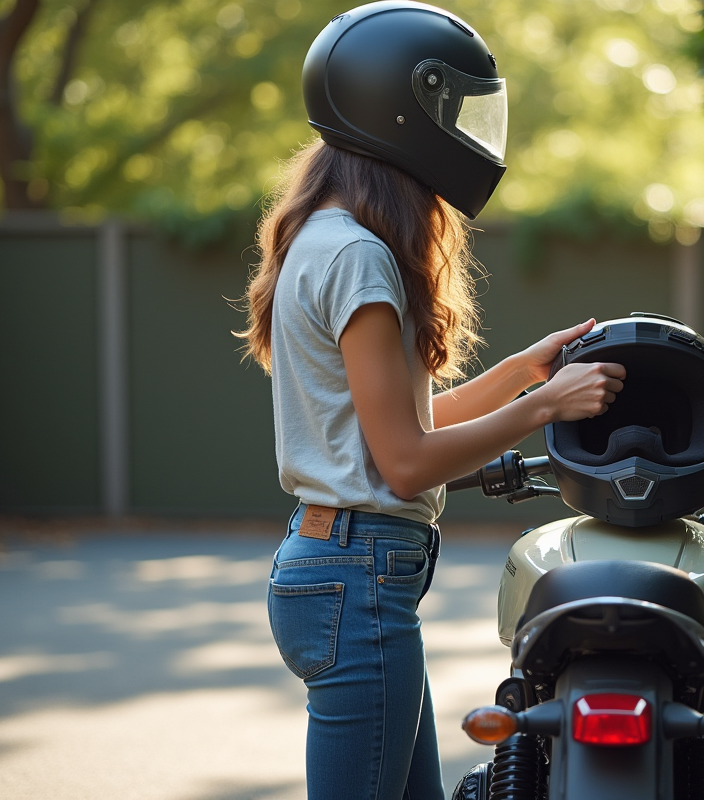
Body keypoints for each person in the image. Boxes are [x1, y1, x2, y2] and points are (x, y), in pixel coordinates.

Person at [235, 3, 626, 798]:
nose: (472, 137)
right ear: (405, 114)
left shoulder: (326, 236)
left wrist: (521, 371)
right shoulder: (361, 258)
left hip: (340, 568)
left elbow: (403, 425)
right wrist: (546, 407)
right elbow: (407, 463)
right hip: (358, 575)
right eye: (458, 111)